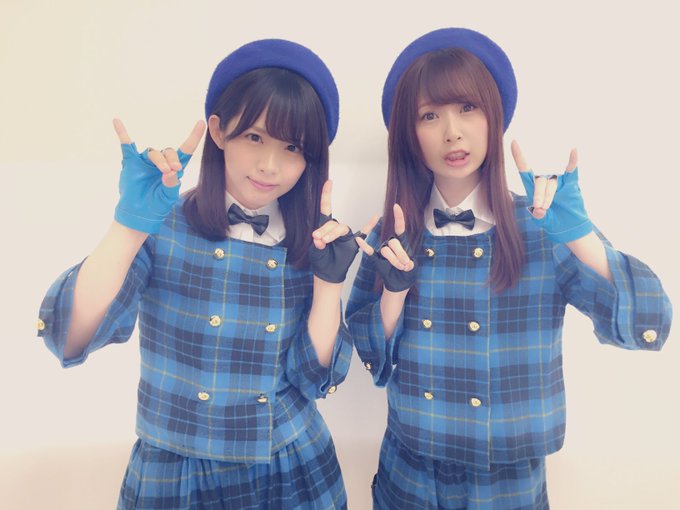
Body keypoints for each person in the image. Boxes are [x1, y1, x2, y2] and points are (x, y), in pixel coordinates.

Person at [346, 27, 672, 509]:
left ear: (493, 116)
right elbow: (370, 355)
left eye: (467, 108)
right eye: (429, 115)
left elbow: (650, 325)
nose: (452, 132)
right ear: (409, 136)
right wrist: (394, 293)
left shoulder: (542, 226)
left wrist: (581, 237)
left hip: (508, 483)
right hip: (409, 474)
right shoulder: (391, 234)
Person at [37, 38, 356, 509]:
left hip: (292, 468)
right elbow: (68, 336)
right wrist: (129, 226)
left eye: (292, 147)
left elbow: (315, 380)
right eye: (255, 137)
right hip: (176, 472)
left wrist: (329, 284)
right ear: (219, 131)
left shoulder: (315, 242)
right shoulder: (163, 225)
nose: (270, 166)